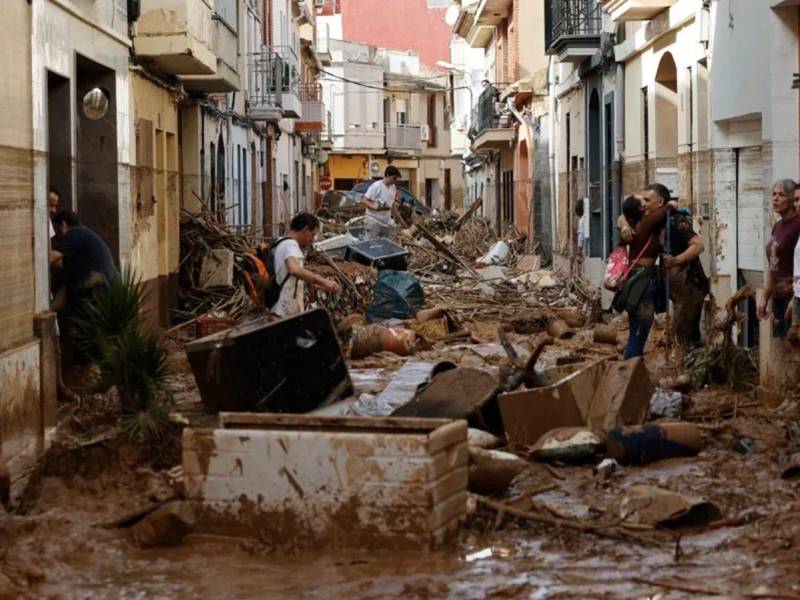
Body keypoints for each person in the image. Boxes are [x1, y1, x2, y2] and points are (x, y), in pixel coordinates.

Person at [612, 184, 676, 359]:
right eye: (644, 201)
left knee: (636, 332)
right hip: (643, 282)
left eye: (648, 200)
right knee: (638, 335)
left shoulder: (633, 223)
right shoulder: (646, 222)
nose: (646, 204)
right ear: (639, 209)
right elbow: (668, 209)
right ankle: (630, 377)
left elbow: (621, 217)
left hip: (636, 280)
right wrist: (671, 204)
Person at [270, 212, 340, 318]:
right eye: (312, 234)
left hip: (278, 308)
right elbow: (294, 269)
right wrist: (323, 281)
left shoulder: (280, 242)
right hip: (282, 311)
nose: (312, 239)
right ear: (305, 229)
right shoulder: (290, 245)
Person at [661, 200, 709, 350]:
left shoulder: (676, 220)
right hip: (677, 286)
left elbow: (698, 245)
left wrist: (677, 260)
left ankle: (688, 366)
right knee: (682, 329)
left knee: (686, 331)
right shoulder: (655, 222)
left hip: (690, 281)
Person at [50, 211, 118, 312]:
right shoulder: (82, 238)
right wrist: (49, 310)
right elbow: (67, 290)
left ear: (63, 225)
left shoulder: (75, 233)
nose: (55, 235)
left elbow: (50, 258)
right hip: (106, 291)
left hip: (99, 291)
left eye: (55, 229)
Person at [758, 179, 800, 339]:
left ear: (792, 199)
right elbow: (772, 265)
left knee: (793, 350)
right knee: (782, 350)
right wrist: (764, 297)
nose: (775, 198)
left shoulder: (797, 225)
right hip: (778, 298)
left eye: (781, 195)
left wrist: (795, 300)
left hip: (793, 297)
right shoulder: (778, 226)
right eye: (774, 194)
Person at [362, 166, 407, 240]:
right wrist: (375, 207)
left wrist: (401, 221)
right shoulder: (376, 186)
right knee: (369, 244)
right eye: (394, 178)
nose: (395, 181)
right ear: (388, 175)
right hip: (373, 220)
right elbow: (364, 200)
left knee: (389, 244)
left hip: (386, 221)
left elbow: (392, 205)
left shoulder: (393, 188)